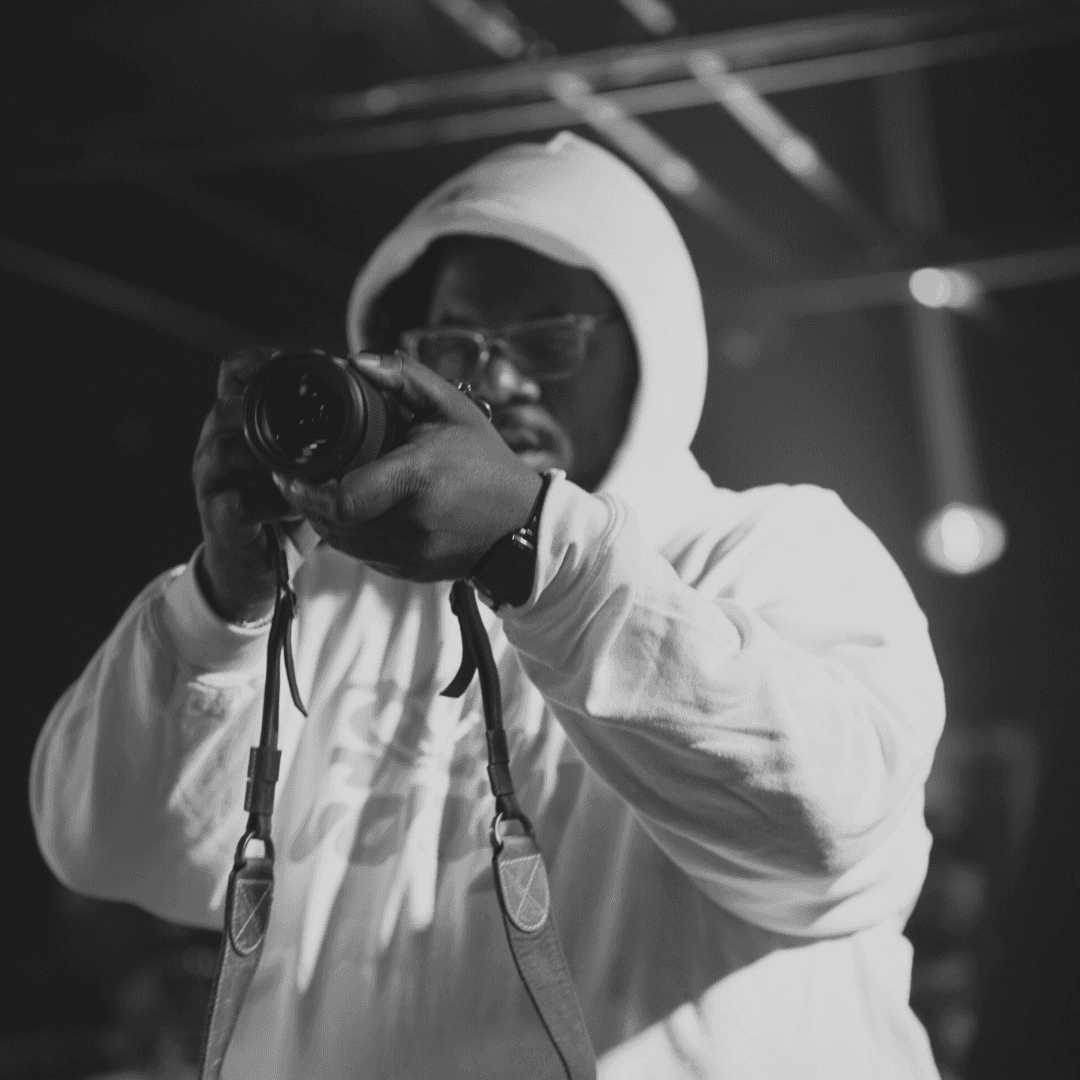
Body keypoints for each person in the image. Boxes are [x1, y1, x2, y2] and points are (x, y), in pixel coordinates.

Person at [31, 132, 946, 1079]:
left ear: (651, 354)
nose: (497, 379)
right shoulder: (331, 588)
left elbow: (826, 847)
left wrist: (532, 548)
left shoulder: (768, 547)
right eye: (453, 343)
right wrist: (224, 602)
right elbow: (109, 848)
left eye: (548, 341)